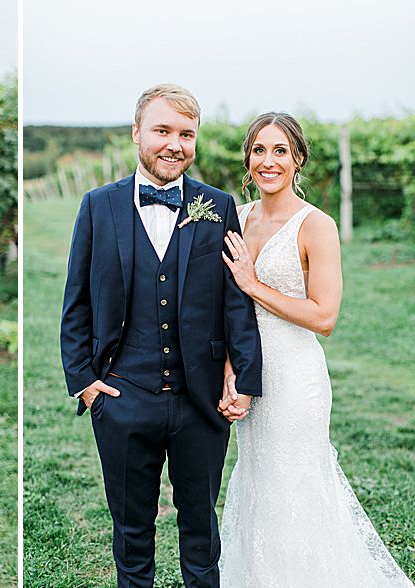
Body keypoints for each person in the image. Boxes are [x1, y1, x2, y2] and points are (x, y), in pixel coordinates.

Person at [59, 83, 262, 588]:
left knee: (202, 535)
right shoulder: (97, 206)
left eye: (186, 134)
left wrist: (243, 378)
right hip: (121, 398)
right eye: (162, 131)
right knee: (131, 535)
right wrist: (85, 382)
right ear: (137, 133)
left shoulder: (217, 205)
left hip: (201, 402)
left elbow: (236, 301)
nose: (175, 144)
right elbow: (77, 301)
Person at [217, 112, 413, 586]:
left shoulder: (316, 226)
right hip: (248, 374)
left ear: (298, 159)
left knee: (295, 488)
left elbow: (324, 317)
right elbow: (226, 307)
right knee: (259, 482)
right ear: (247, 159)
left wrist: (253, 284)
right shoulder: (236, 217)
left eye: (280, 151)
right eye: (259, 150)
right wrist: (230, 371)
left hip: (294, 379)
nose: (268, 161)